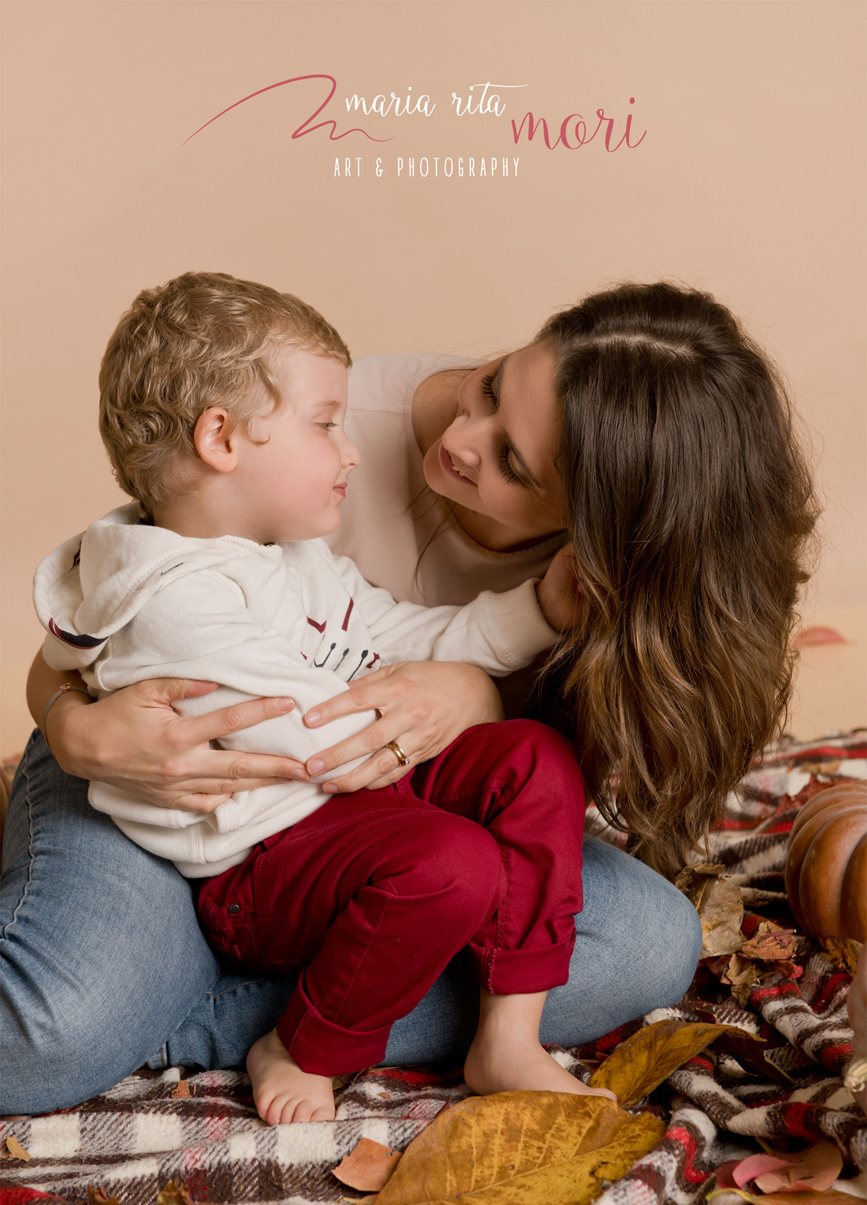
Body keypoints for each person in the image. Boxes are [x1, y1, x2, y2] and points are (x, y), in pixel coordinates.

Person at [2, 278, 815, 1116]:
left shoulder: (604, 580)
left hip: (365, 822)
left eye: (512, 463)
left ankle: (447, 1027)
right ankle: (183, 1008)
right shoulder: (304, 415)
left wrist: (480, 689)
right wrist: (74, 731)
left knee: (644, 942)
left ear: (599, 525)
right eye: (492, 387)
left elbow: (434, 693)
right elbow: (96, 622)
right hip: (174, 787)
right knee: (44, 1033)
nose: (464, 439)